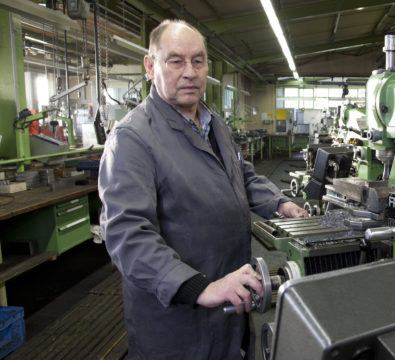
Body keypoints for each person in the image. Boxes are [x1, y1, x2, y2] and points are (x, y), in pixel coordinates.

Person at [98, 19, 308, 359]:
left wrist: (281, 204)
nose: (190, 72)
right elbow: (127, 235)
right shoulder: (133, 139)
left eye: (198, 61)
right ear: (151, 67)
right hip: (177, 323)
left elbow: (242, 176)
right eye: (176, 60)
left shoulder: (214, 124)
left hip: (228, 303)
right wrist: (200, 287)